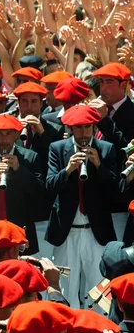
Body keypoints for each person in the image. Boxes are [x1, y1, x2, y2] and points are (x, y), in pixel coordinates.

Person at [46, 105, 118, 309]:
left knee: (100, 291)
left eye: (87, 128)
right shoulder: (58, 149)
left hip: (96, 232)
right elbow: (50, 186)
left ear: (94, 126)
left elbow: (115, 190)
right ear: (70, 129)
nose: (84, 133)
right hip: (67, 232)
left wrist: (98, 166)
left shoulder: (106, 148)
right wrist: (67, 170)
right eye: (78, 128)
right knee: (66, 288)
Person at [0, 114, 44, 254]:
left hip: (20, 228)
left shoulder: (30, 157)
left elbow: (40, 194)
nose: (3, 139)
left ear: (16, 134)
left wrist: (19, 170)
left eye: (8, 133)